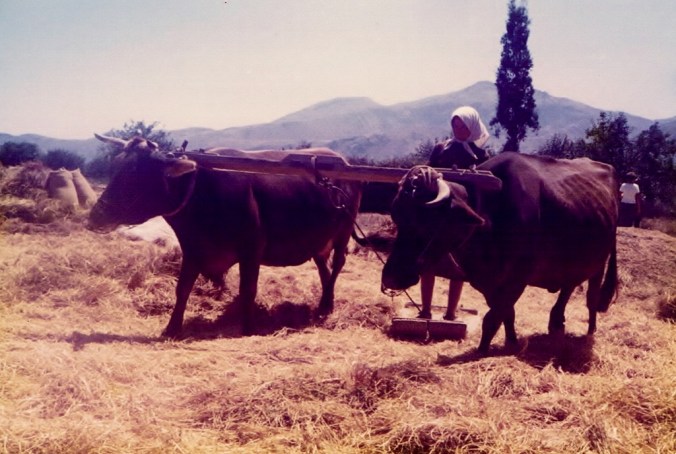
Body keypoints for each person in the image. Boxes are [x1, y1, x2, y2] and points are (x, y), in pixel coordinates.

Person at [420, 106, 491, 321]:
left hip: (462, 215)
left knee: (458, 264)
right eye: (455, 125)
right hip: (437, 212)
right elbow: (428, 172)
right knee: (428, 261)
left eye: (463, 126)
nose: (459, 130)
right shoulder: (441, 149)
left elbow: (485, 185)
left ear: (473, 127)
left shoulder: (481, 154)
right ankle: (425, 310)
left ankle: (451, 313)